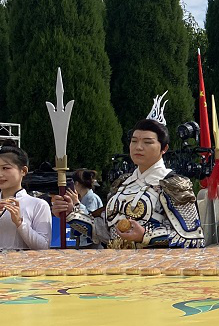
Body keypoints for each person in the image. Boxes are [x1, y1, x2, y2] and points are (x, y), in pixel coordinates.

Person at [56, 97, 204, 249]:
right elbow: (103, 232)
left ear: (164, 148)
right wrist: (71, 213)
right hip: (116, 266)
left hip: (153, 269)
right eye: (134, 141)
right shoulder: (123, 183)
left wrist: (146, 235)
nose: (138, 147)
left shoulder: (173, 184)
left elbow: (194, 238)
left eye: (147, 142)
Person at [0, 146, 51, 251]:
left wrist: (20, 223)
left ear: (23, 171)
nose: (0, 174)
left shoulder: (38, 205)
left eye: (6, 168)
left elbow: (43, 247)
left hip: (20, 266)